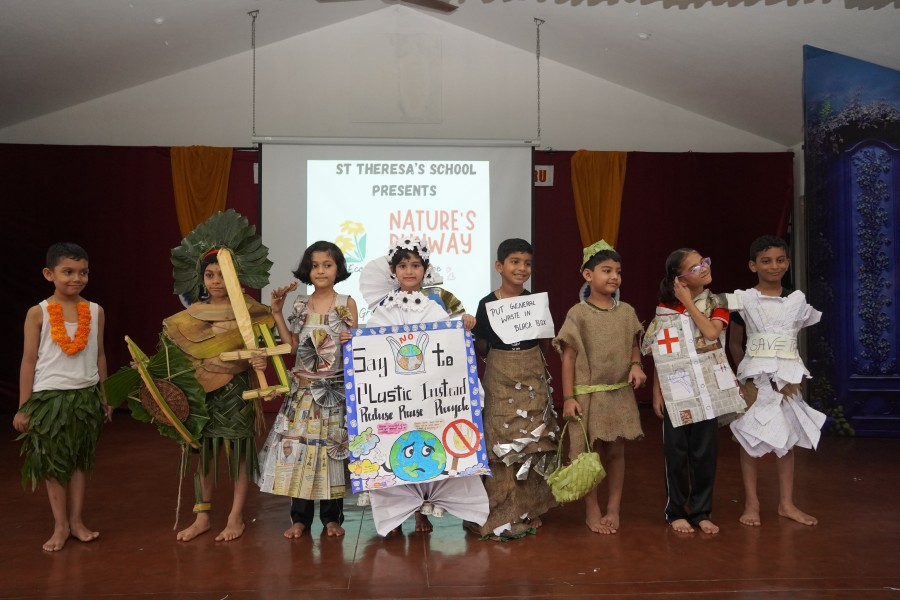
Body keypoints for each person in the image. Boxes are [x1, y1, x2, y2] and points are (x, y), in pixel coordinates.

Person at [359, 238, 487, 536]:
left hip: (428, 394)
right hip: (395, 394)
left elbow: (452, 336)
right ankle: (396, 515)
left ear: (425, 269)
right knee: (394, 445)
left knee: (425, 447)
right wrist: (353, 341)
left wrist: (465, 321)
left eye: (415, 265)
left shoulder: (436, 303)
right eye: (403, 265)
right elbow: (373, 345)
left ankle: (420, 511)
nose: (409, 271)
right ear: (393, 271)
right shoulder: (383, 309)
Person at [14, 242, 113, 552]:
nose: (77, 278)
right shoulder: (38, 313)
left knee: (81, 461)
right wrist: (23, 407)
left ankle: (77, 521)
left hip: (85, 397)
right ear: (49, 274)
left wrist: (106, 395)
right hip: (49, 400)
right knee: (54, 464)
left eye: (83, 272)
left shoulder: (95, 311)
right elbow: (28, 361)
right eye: (68, 272)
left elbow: (100, 355)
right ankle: (60, 526)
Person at [257, 241, 359, 539]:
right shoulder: (300, 303)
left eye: (327, 265)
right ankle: (299, 518)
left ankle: (332, 518)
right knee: (298, 453)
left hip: (334, 394)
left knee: (332, 454)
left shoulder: (347, 302)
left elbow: (355, 348)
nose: (321, 271)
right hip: (302, 393)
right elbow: (292, 346)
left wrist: (352, 338)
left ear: (338, 269)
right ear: (307, 270)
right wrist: (277, 312)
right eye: (315, 266)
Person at [642, 249, 743, 535]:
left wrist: (688, 302)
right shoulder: (665, 310)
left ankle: (701, 512)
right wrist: (657, 391)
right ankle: (675, 512)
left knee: (704, 454)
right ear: (680, 279)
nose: (704, 267)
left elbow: (711, 333)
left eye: (704, 262)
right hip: (678, 393)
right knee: (675, 454)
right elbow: (661, 353)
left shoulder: (717, 303)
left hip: (707, 391)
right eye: (695, 267)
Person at [727, 235, 823, 527]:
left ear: (788, 263)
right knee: (750, 437)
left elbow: (791, 339)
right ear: (753, 265)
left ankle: (786, 503)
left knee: (787, 438)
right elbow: (734, 344)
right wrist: (746, 373)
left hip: (787, 378)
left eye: (780, 260)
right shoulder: (744, 300)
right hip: (754, 378)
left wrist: (789, 372)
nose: (774, 266)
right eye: (766, 261)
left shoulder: (795, 300)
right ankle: (752, 504)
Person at [553, 240, 646, 535]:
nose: (614, 276)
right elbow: (568, 358)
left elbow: (634, 346)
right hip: (587, 396)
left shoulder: (626, 312)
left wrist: (636, 365)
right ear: (588, 275)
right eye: (606, 270)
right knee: (587, 454)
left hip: (618, 394)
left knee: (616, 452)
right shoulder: (578, 314)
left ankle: (613, 508)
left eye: (618, 271)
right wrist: (568, 397)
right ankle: (591, 508)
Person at [471, 238, 558, 540]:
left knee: (533, 442)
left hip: (532, 378)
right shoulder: (486, 303)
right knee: (502, 442)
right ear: (499, 266)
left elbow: (544, 339)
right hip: (499, 378)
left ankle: (528, 507)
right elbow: (481, 341)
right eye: (515, 262)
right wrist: (503, 360)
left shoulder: (535, 302)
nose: (522, 268)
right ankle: (502, 507)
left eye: (527, 263)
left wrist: (527, 362)